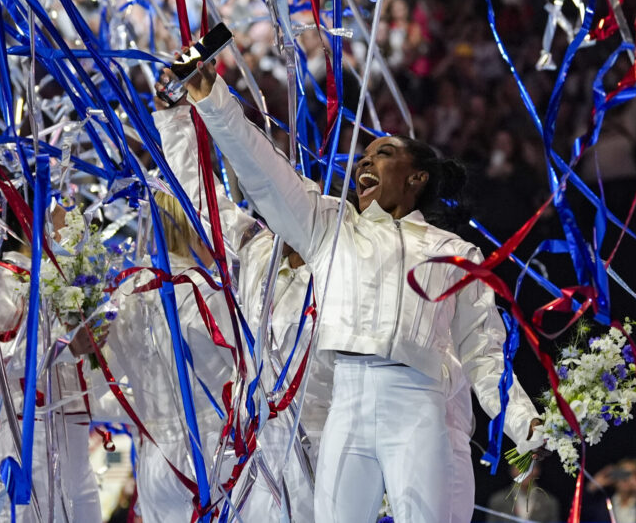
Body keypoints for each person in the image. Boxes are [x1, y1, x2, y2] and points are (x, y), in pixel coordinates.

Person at [176, 60, 543, 522]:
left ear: (417, 177)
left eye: (383, 153)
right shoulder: (329, 229)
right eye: (363, 156)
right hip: (345, 400)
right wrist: (213, 97)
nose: (365, 161)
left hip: (416, 402)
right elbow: (264, 170)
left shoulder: (455, 254)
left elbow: (483, 353)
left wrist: (522, 422)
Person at [151, 91, 330, 521]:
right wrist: (177, 116)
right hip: (261, 456)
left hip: (328, 453)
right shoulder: (255, 250)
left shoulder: (338, 270)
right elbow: (197, 193)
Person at [0, 201, 103, 522]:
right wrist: (62, 346)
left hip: (79, 441)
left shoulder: (71, 280)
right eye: (62, 206)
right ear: (32, 217)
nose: (73, 217)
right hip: (29, 437)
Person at [103, 191, 236, 523]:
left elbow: (99, 385)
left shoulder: (125, 294)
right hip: (211, 455)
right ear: (197, 226)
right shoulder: (203, 288)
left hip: (155, 462)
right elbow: (246, 371)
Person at [583, 459, 636, 523]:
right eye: (622, 474)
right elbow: (579, 511)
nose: (626, 479)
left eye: (631, 474)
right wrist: (593, 485)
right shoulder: (602, 506)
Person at [485, 461, 560, 522]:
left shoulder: (549, 502)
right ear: (512, 470)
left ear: (537, 470)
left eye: (529, 467)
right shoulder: (498, 501)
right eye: (520, 467)